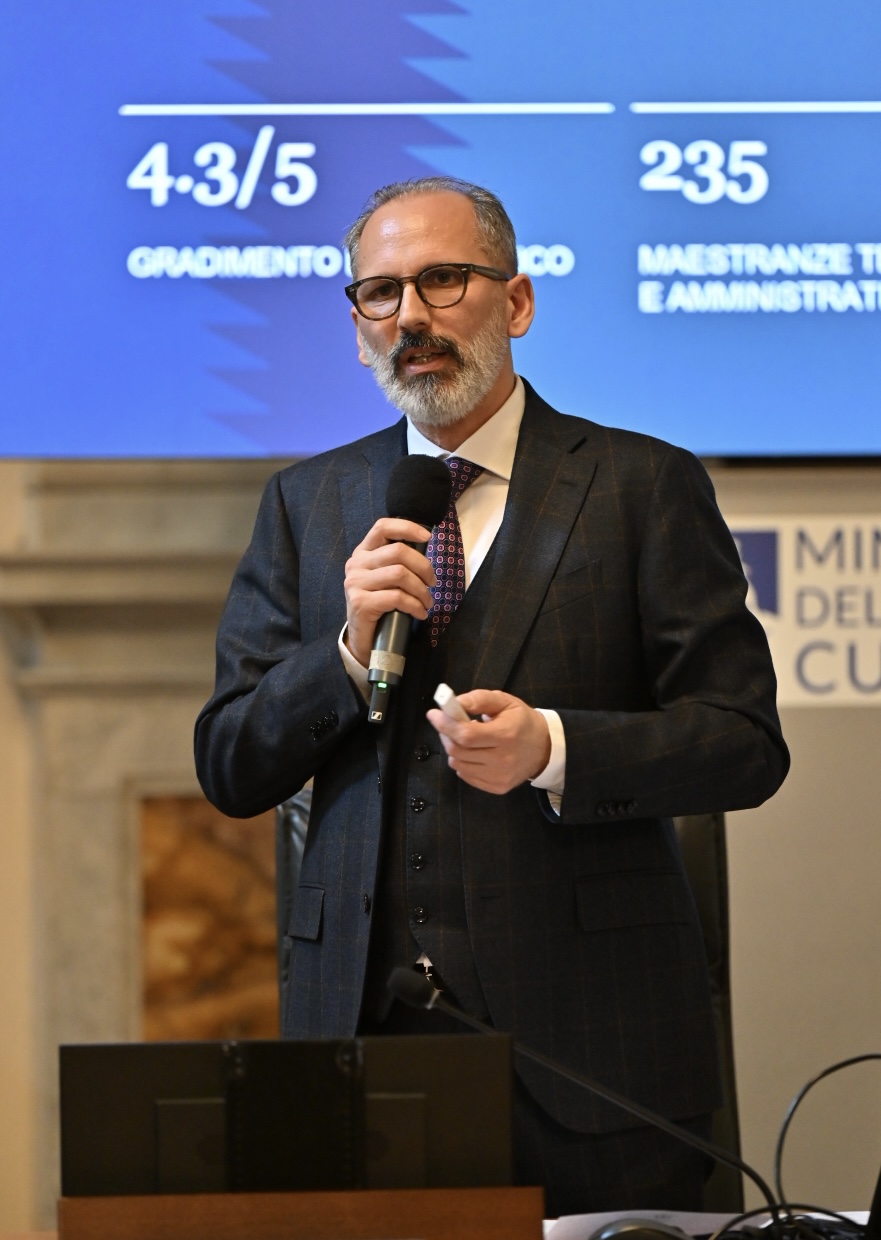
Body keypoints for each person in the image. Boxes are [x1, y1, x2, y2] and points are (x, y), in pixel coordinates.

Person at [195, 176, 789, 1216]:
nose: (409, 317)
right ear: (357, 328)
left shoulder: (642, 485)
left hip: (590, 1051)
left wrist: (554, 749)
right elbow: (230, 763)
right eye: (380, 293)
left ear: (514, 302)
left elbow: (742, 741)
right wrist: (343, 654)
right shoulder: (304, 502)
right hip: (362, 1046)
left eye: (442, 280)